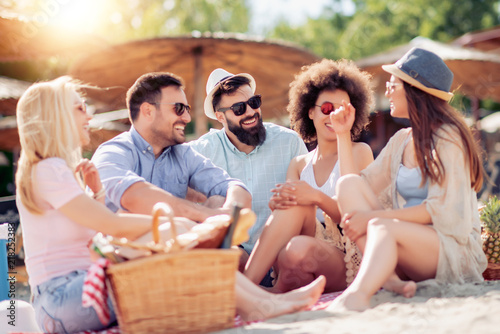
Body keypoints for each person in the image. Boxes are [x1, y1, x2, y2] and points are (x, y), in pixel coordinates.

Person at [15, 77, 327, 333]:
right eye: (80, 108)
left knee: (199, 225)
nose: (89, 116)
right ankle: (260, 302)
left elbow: (234, 189)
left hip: (83, 288)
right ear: (148, 112)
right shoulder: (71, 163)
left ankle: (260, 299)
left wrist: (201, 221)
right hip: (63, 297)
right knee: (183, 242)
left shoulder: (61, 169)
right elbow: (115, 221)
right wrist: (187, 226)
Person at [327, 48, 488, 312]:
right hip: (406, 247)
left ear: (413, 90)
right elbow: (356, 187)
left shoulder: (449, 138)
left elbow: (439, 212)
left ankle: (357, 294)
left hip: (450, 251)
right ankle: (389, 279)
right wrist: (343, 135)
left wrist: (371, 219)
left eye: (393, 85)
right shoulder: (402, 140)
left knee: (382, 226)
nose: (387, 91)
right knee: (348, 186)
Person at [243, 59, 374, 293]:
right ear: (310, 112)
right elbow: (291, 221)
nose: (333, 115)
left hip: (347, 256)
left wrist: (316, 197)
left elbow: (355, 219)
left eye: (341, 109)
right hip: (301, 250)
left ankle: (253, 292)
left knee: (298, 249)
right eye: (326, 109)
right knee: (293, 230)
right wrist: (279, 205)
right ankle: (246, 289)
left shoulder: (360, 152)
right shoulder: (298, 164)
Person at [189, 68, 308, 274]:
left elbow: (310, 204)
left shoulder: (289, 142)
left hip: (284, 256)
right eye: (238, 108)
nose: (251, 112)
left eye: (254, 103)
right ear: (220, 117)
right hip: (234, 259)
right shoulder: (202, 151)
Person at [91, 72, 252, 221]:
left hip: (173, 245)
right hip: (116, 249)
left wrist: (230, 210)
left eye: (187, 109)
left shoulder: (183, 154)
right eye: (179, 108)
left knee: (219, 200)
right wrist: (208, 215)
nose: (187, 118)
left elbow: (233, 187)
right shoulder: (112, 153)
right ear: (148, 111)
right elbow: (134, 197)